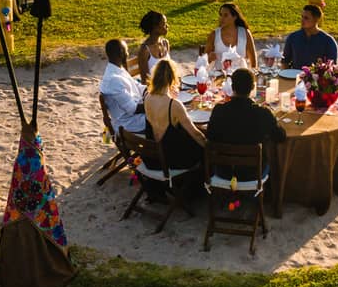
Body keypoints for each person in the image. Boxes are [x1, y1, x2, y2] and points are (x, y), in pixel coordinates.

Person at [205, 68, 286, 179]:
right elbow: (280, 137)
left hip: (224, 171)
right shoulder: (263, 113)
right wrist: (273, 119)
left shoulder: (219, 110)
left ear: (233, 87)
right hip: (253, 173)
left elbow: (209, 136)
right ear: (253, 87)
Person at [143, 59, 207, 190]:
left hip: (153, 156)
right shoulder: (174, 105)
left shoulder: (148, 98)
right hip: (171, 159)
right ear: (172, 78)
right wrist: (209, 146)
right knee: (201, 149)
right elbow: (195, 133)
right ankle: (199, 189)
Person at [98, 39, 146, 139]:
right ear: (121, 52)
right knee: (168, 118)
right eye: (127, 50)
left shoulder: (117, 69)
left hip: (135, 117)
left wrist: (151, 91)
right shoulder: (114, 80)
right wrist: (156, 105)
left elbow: (137, 86)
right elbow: (133, 109)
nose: (128, 53)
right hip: (130, 124)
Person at [203, 2, 257, 71]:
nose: (221, 18)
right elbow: (203, 61)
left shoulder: (245, 33)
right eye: (221, 15)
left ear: (234, 17)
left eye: (225, 15)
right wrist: (209, 58)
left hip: (241, 77)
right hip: (219, 78)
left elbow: (253, 60)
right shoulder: (214, 35)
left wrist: (253, 77)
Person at [281, 4, 338, 69]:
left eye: (306, 18)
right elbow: (285, 61)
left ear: (316, 19)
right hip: (294, 77)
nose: (302, 20)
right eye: (302, 17)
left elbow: (331, 67)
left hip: (317, 78)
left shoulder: (328, 41)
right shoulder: (293, 37)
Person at [136, 10, 171, 80]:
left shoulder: (165, 43)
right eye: (164, 23)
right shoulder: (144, 50)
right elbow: (145, 80)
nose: (167, 26)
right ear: (155, 27)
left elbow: (169, 70)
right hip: (154, 89)